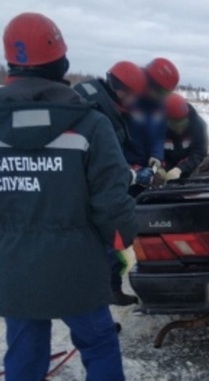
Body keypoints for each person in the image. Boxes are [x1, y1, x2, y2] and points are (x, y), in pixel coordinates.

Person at [0, 12, 135, 380]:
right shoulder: (90, 124)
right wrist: (122, 239)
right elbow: (111, 199)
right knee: (99, 344)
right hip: (78, 267)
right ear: (61, 61)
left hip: (13, 265)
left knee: (24, 349)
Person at [74, 61, 152, 306]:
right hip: (88, 193)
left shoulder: (93, 101)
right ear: (122, 91)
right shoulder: (99, 116)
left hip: (78, 187)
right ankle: (105, 293)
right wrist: (132, 175)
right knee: (111, 241)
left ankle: (107, 290)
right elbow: (104, 168)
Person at [122, 58, 179, 177]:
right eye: (162, 92)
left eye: (166, 94)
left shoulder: (159, 106)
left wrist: (157, 155)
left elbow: (159, 133)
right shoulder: (126, 98)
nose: (163, 97)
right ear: (150, 83)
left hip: (144, 166)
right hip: (124, 165)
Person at [164, 92, 209, 180]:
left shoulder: (199, 126)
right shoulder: (158, 128)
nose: (179, 129)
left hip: (191, 173)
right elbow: (156, 150)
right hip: (167, 174)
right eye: (175, 125)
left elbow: (199, 153)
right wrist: (162, 168)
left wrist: (180, 169)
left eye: (182, 123)